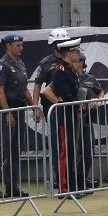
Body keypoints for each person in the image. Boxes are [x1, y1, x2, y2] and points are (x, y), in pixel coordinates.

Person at [40, 39, 90, 195]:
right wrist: (78, 104)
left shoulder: (70, 70)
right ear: (69, 54)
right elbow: (67, 96)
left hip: (70, 115)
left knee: (71, 152)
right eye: (76, 52)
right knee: (64, 152)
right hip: (63, 117)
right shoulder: (61, 72)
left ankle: (72, 185)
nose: (78, 54)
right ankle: (64, 187)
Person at [0, 34, 33, 200]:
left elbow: (25, 88)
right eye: (18, 45)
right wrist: (7, 111)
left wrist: (34, 106)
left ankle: (12, 186)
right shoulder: (3, 65)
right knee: (3, 150)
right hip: (7, 111)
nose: (21, 48)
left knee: (15, 151)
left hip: (19, 109)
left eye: (22, 45)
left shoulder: (20, 64)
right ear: (9, 46)